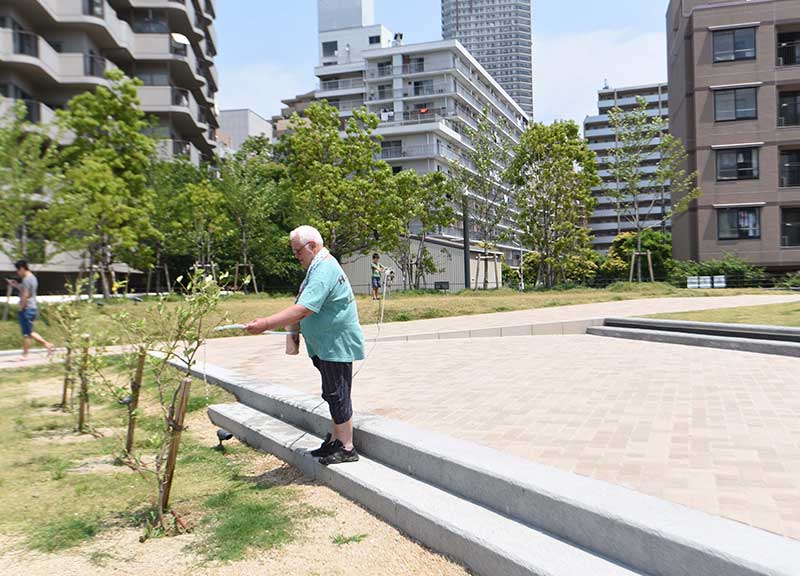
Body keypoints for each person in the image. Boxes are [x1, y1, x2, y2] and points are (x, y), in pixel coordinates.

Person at [245, 226, 365, 465]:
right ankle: (335, 440)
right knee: (332, 393)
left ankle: (347, 446)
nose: (296, 256)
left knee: (337, 393)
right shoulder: (319, 266)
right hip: (326, 343)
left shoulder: (324, 269)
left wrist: (267, 323)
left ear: (312, 246)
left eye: (298, 250)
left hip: (335, 343)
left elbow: (304, 308)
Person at [7, 260, 54, 361]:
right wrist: (16, 286)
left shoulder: (26, 280)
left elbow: (26, 295)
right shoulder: (33, 278)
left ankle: (27, 354)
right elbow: (26, 291)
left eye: (18, 270)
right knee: (29, 332)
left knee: (26, 333)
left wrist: (21, 307)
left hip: (27, 308)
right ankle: (46, 345)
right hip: (32, 307)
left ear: (22, 268)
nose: (18, 273)